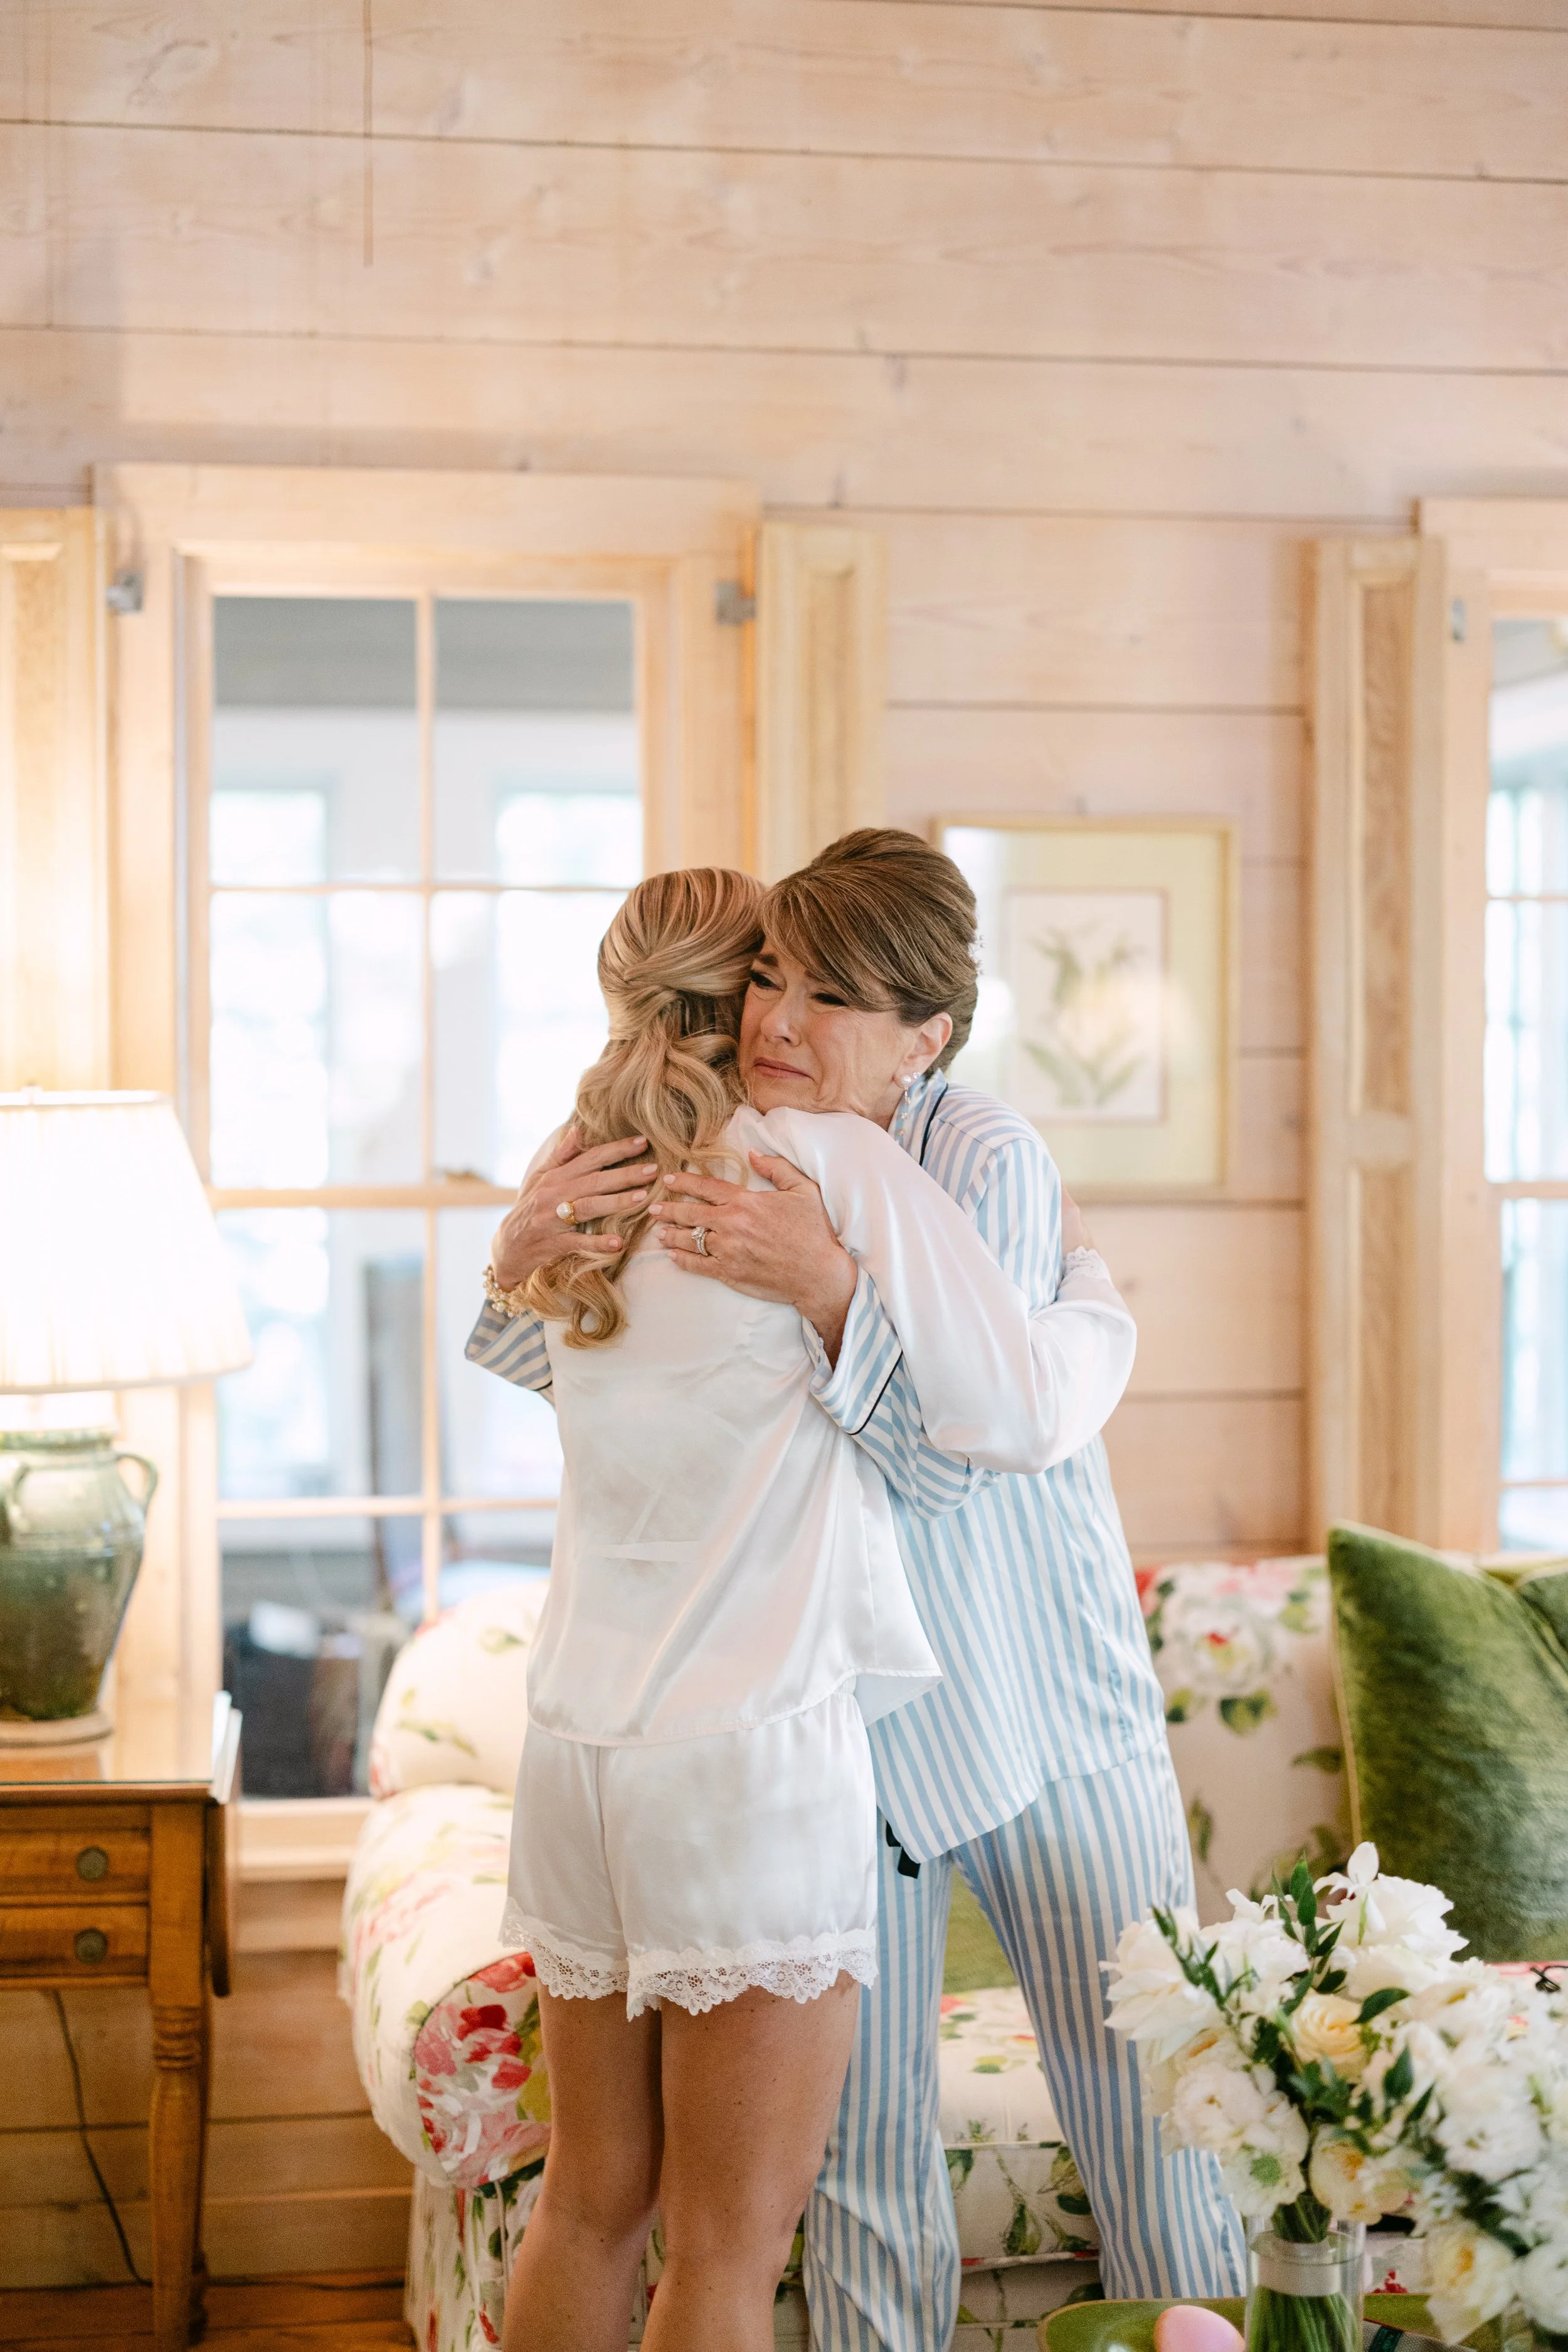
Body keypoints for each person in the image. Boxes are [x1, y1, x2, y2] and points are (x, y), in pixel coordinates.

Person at [467, 864, 1138, 2352]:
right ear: (741, 991)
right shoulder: (826, 1161)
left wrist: (509, 1261)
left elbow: (541, 1344)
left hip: (576, 1753)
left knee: (587, 2206)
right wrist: (1096, 1299)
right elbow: (1012, 1417)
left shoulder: (581, 1163)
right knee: (724, 2253)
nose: (787, 1010)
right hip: (747, 1764)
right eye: (777, 975)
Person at [651, 831, 1247, 2350]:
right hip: (853, 1747)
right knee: (861, 2172)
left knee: (1160, 2131)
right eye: (772, 977)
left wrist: (830, 1289)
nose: (779, 1023)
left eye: (833, 999)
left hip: (1057, 1721)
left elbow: (951, 1459)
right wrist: (517, 1265)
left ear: (927, 1035)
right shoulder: (738, 1143)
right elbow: (630, 1381)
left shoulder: (983, 1157)